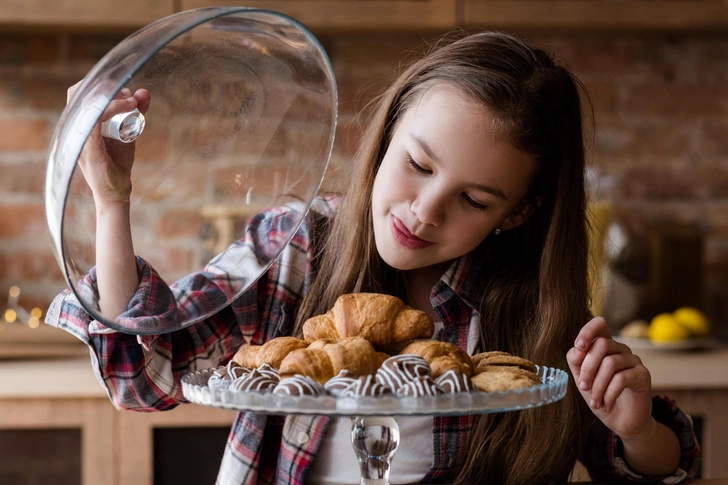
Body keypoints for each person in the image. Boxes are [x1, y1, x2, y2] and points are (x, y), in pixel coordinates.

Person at [47, 31, 700, 485]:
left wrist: (638, 428)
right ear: (386, 135)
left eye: (473, 199)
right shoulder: (298, 249)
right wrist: (112, 201)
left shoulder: (533, 314)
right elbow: (148, 368)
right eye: (417, 164)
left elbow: (650, 463)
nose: (425, 211)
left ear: (519, 213)